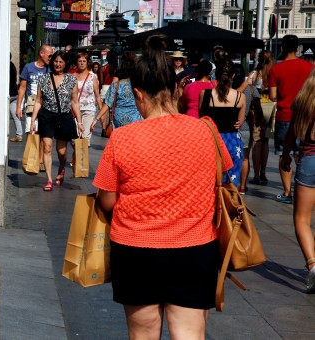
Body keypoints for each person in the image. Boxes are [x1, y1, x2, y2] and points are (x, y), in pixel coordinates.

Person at [93, 35, 233, 339]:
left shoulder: (122, 138)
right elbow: (218, 182)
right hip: (195, 249)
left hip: (136, 251)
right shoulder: (206, 130)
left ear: (138, 94)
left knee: (142, 334)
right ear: (175, 88)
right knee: (189, 334)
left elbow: (106, 202)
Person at [267, 34, 314, 204]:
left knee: (284, 153)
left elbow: (272, 96)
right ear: (298, 48)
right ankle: (304, 187)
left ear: (281, 48)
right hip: (306, 115)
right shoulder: (309, 67)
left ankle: (287, 193)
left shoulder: (276, 70)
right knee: (303, 153)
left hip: (285, 115)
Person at [29, 50, 85, 191]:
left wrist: (79, 122)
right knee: (47, 147)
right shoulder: (44, 78)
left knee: (62, 152)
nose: (57, 64)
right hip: (47, 116)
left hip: (64, 117)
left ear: (65, 64)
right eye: (55, 61)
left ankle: (61, 168)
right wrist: (32, 120)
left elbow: (74, 102)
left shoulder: (71, 79)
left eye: (60, 62)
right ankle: (49, 180)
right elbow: (38, 101)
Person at [281, 67, 315, 293]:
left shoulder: (303, 100)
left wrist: (285, 155)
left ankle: (313, 265)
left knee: (302, 219)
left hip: (309, 160)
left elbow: (292, 133)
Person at [199, 57, 245, 188]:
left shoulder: (205, 94)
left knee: (210, 183)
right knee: (231, 185)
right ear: (233, 76)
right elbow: (239, 123)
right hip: (232, 143)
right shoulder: (239, 97)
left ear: (215, 75)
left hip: (211, 142)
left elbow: (202, 119)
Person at [16, 45, 52, 171]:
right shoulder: (28, 67)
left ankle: (40, 160)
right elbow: (22, 88)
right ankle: (32, 157)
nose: (51, 58)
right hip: (31, 105)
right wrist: (18, 106)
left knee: (43, 134)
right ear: (41, 53)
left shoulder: (50, 69)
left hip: (46, 105)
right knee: (31, 132)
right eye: (49, 55)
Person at [95, 51, 142, 130]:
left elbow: (107, 102)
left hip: (119, 117)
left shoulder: (116, 85)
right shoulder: (140, 86)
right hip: (135, 116)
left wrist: (97, 118)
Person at [247, 50, 274, 186]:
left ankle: (256, 174)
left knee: (256, 141)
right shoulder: (274, 72)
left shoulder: (255, 74)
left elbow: (249, 89)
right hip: (271, 108)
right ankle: (263, 172)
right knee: (266, 142)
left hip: (257, 110)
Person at [232, 65, 260, 194]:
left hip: (229, 127)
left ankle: (231, 184)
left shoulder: (229, 90)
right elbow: (257, 106)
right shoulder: (251, 89)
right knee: (245, 158)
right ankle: (242, 186)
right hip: (245, 127)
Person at [74, 52, 102, 145]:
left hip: (89, 109)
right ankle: (76, 157)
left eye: (84, 61)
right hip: (74, 110)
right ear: (77, 63)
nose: (82, 63)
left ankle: (81, 159)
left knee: (85, 138)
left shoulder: (93, 77)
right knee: (75, 138)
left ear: (87, 63)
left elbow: (97, 96)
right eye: (80, 61)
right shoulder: (72, 77)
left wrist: (101, 112)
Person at [9, 54, 23, 142]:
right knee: (15, 116)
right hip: (14, 93)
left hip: (8, 94)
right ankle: (19, 134)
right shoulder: (12, 65)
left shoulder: (5, 66)